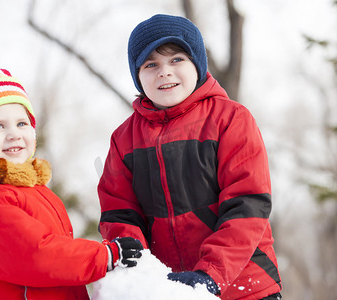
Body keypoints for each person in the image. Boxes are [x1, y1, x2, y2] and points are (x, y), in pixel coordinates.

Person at [97, 14, 282, 300]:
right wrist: (137, 271)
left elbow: (246, 205)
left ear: (197, 64)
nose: (164, 72)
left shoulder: (230, 120)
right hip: (170, 289)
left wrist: (210, 274)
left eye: (176, 60)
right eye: (151, 64)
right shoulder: (124, 141)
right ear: (137, 75)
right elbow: (120, 215)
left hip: (243, 286)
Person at [0, 69, 143, 300]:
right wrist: (105, 256)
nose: (14, 134)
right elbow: (33, 255)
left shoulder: (34, 191)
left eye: (22, 123)